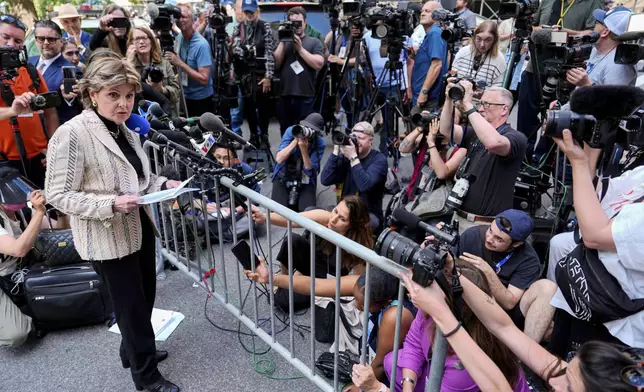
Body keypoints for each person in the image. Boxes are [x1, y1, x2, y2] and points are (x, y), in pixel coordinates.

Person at [44, 55, 182, 392]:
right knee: (132, 309)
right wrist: (110, 204)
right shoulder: (72, 133)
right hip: (106, 237)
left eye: (129, 95)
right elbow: (58, 194)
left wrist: (163, 185)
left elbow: (140, 181)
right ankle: (146, 378)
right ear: (92, 94)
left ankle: (131, 352)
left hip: (139, 228)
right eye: (113, 95)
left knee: (144, 297)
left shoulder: (126, 130)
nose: (123, 103)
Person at [542, 129, 644, 358]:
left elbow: (595, 236)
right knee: (558, 369)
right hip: (579, 295)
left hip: (617, 326)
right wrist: (592, 141)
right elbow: (591, 199)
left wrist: (578, 162)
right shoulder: (640, 174)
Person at [351, 263, 530, 392]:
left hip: (459, 380)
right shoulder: (431, 309)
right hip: (439, 374)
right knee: (392, 361)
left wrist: (376, 388)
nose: (413, 292)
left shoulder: (464, 366)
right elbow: (413, 345)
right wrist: (407, 385)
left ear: (448, 306)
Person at [462, 267, 644, 392]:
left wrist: (446, 321)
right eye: (566, 370)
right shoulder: (572, 379)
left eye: (569, 387)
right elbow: (504, 327)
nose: (553, 381)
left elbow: (496, 385)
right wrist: (455, 274)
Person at [249, 196, 373, 310]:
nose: (334, 219)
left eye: (342, 219)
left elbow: (359, 283)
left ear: (353, 225)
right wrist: (264, 217)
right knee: (292, 240)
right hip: (313, 262)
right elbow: (293, 218)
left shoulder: (358, 245)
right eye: (335, 211)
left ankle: (297, 282)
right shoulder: (327, 218)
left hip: (328, 279)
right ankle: (288, 277)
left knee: (280, 301)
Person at [453, 209, 556, 342]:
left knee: (548, 288)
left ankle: (526, 351)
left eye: (499, 239)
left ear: (516, 244)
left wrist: (488, 272)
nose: (489, 239)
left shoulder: (529, 260)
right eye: (490, 230)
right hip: (469, 301)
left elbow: (509, 303)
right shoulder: (473, 235)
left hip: (505, 313)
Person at [516, 0, 603, 156]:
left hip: (566, 71)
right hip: (536, 66)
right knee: (525, 117)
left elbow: (593, 34)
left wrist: (566, 33)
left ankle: (540, 163)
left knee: (555, 120)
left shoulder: (593, 3)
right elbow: (533, 26)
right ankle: (522, 159)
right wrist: (545, 32)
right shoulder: (548, 1)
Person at [438, 82, 527, 232]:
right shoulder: (476, 134)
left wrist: (467, 104)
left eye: (486, 104)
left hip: (484, 225)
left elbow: (493, 143)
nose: (480, 108)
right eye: (480, 103)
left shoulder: (516, 137)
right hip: (458, 218)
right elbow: (446, 130)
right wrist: (449, 100)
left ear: (504, 109)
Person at [0, 15, 59, 189]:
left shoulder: (30, 70)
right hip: (5, 162)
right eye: (6, 37)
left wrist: (53, 148)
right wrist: (12, 111)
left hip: (40, 157)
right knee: (20, 215)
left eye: (17, 40)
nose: (11, 44)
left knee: (50, 211)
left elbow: (51, 112)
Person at [0, 168, 48, 347]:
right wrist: (39, 213)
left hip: (16, 272)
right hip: (3, 274)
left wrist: (55, 208)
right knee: (16, 334)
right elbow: (18, 250)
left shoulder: (22, 210)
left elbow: (56, 228)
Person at [321, 122, 388, 231]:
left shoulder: (379, 160)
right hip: (343, 211)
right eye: (354, 138)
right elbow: (325, 179)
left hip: (367, 213)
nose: (356, 142)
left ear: (370, 141)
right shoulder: (345, 157)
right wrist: (336, 151)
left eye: (360, 138)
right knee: (314, 214)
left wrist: (353, 157)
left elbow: (364, 185)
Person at [274, 7, 325, 135]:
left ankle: (303, 155)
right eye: (293, 23)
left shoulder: (314, 42)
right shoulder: (283, 43)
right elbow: (276, 64)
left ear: (305, 22)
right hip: (285, 94)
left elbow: (319, 64)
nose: (296, 26)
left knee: (304, 133)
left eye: (299, 22)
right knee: (286, 132)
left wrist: (300, 49)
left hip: (305, 95)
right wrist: (282, 39)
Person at [231, 0, 275, 146]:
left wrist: (268, 76)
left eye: (252, 12)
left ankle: (264, 134)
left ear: (257, 11)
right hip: (245, 75)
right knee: (248, 106)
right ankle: (254, 135)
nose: (249, 15)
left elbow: (269, 51)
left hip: (261, 73)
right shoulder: (239, 28)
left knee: (263, 106)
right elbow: (235, 48)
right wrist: (244, 50)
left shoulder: (265, 26)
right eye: (247, 12)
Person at [363, 23, 410, 155]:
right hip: (376, 83)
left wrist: (406, 86)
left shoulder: (399, 36)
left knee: (389, 119)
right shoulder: (367, 37)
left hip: (394, 83)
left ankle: (387, 149)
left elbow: (406, 61)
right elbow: (365, 59)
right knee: (368, 115)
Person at [564, 6, 637, 89]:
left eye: (597, 22)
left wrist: (587, 85)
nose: (594, 26)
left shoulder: (619, 66)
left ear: (605, 32)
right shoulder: (596, 49)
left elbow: (613, 101)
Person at [399, 117, 467, 203]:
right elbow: (403, 148)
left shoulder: (459, 150)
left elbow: (440, 172)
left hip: (432, 205)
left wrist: (431, 143)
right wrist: (420, 128)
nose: (443, 121)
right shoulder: (427, 139)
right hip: (412, 196)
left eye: (449, 116)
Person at [28, 19, 82, 125]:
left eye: (51, 39)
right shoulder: (28, 62)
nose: (46, 43)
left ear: (61, 41)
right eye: (41, 39)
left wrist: (70, 97)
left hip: (54, 129)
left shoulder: (71, 69)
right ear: (35, 40)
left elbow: (77, 104)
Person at [167, 4, 214, 118]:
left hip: (201, 99)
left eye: (184, 17)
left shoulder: (202, 45)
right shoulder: (180, 38)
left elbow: (204, 79)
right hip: (185, 96)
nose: (181, 20)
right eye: (178, 17)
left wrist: (180, 64)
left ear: (193, 19)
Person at [272, 113, 326, 212]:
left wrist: (304, 150)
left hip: (305, 178)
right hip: (283, 175)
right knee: (276, 211)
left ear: (316, 133)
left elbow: (310, 172)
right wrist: (296, 140)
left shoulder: (320, 143)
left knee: (307, 211)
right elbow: (279, 159)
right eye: (305, 127)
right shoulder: (292, 131)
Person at [126, 26, 181, 116]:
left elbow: (177, 94)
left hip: (164, 113)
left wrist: (162, 89)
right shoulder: (127, 64)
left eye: (144, 38)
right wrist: (129, 63)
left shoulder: (164, 63)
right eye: (137, 39)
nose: (141, 42)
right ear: (131, 43)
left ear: (151, 41)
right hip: (138, 115)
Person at [411, 2, 448, 108]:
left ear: (437, 15)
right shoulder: (432, 33)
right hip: (421, 94)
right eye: (422, 11)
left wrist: (424, 92)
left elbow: (437, 64)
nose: (422, 14)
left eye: (427, 11)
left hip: (427, 99)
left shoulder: (435, 33)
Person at [451, 21, 507, 89]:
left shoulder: (499, 60)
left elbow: (497, 90)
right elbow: (453, 72)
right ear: (474, 37)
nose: (482, 44)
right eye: (479, 39)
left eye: (487, 40)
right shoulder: (463, 52)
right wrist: (451, 80)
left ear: (494, 40)